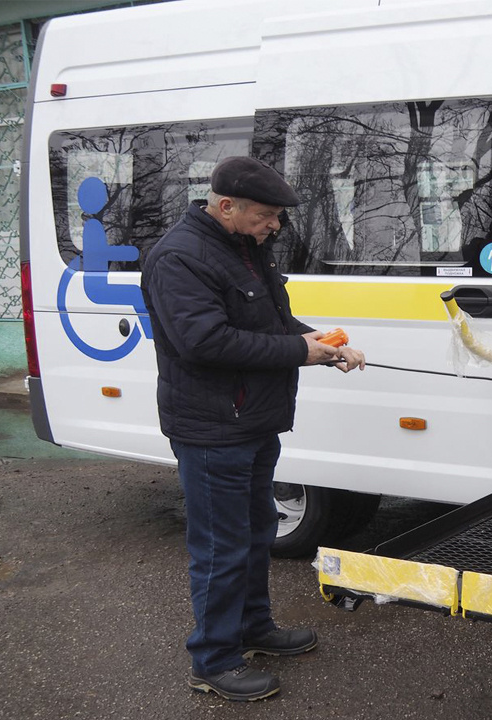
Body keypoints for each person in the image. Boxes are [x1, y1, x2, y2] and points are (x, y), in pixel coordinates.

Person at [140, 156, 366, 702]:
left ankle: (254, 628)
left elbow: (272, 323)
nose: (276, 227)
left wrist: (322, 344)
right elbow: (205, 342)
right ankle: (214, 660)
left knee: (257, 528)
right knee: (220, 546)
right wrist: (300, 352)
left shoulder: (247, 250)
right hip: (213, 427)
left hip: (253, 420)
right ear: (225, 207)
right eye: (266, 216)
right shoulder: (178, 258)